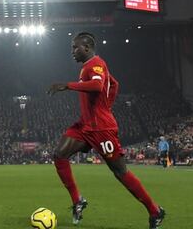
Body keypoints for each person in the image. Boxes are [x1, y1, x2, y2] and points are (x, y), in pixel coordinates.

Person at [48, 33, 165, 228]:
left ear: (87, 47)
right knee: (59, 154)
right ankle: (78, 200)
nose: (72, 52)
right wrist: (105, 106)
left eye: (75, 48)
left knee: (120, 172)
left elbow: (97, 85)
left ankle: (155, 211)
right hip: (86, 126)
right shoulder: (89, 66)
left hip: (102, 129)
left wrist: (67, 86)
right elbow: (114, 84)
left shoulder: (96, 63)